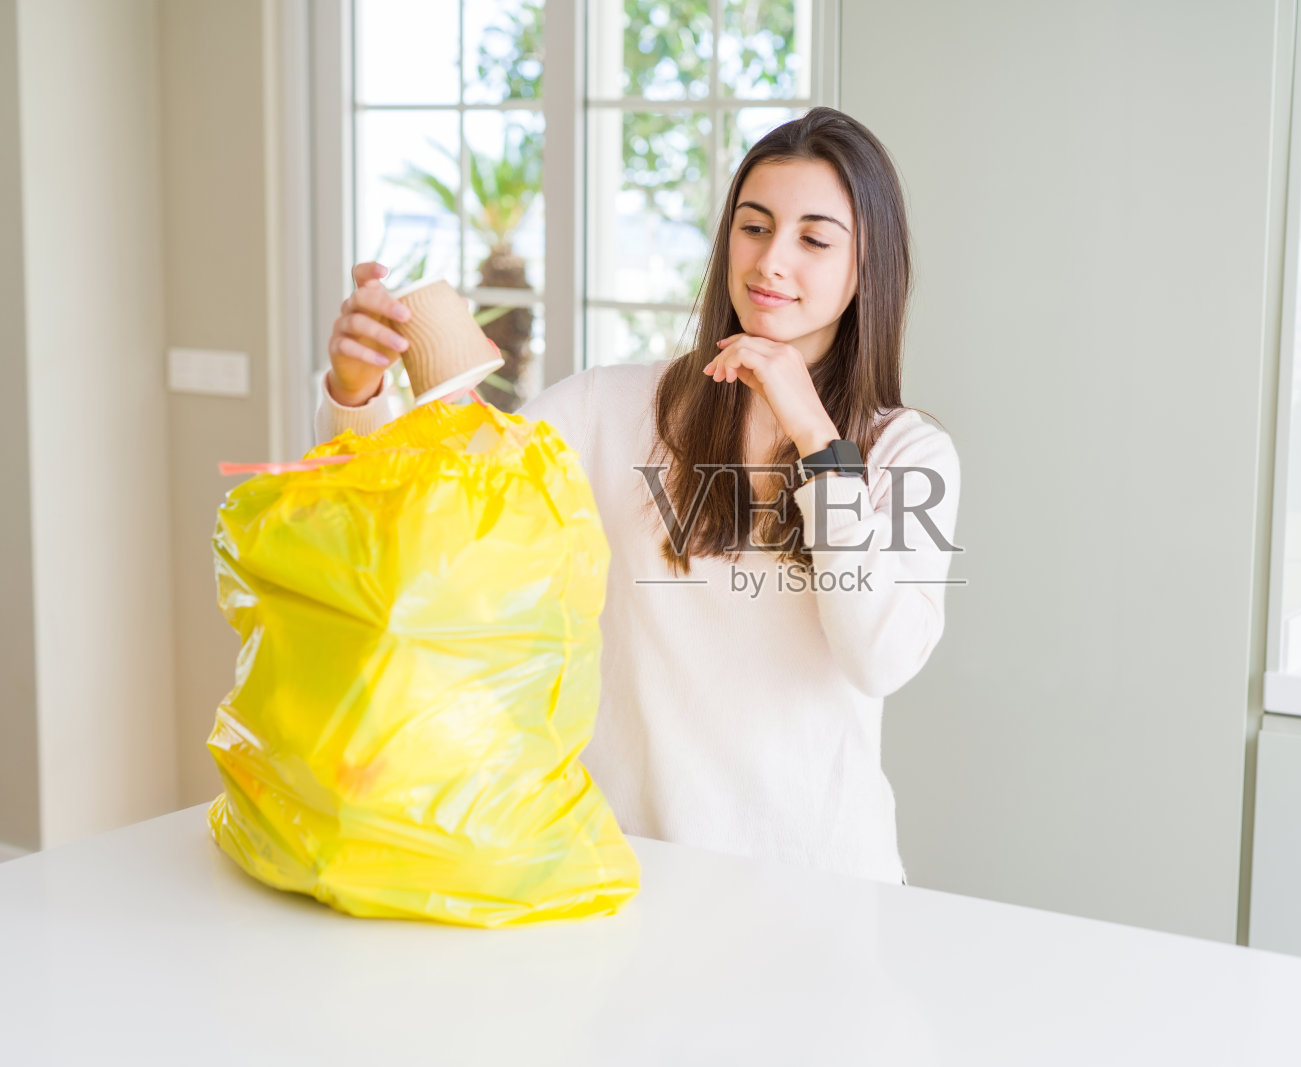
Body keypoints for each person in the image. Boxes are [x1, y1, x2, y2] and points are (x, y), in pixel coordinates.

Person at [314, 106, 960, 886]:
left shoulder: (908, 452)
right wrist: (357, 390)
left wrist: (816, 437)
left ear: (868, 266)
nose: (770, 261)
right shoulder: (609, 408)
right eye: (754, 227)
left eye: (814, 239)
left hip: (825, 889)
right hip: (634, 874)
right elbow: (428, 505)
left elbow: (879, 657)